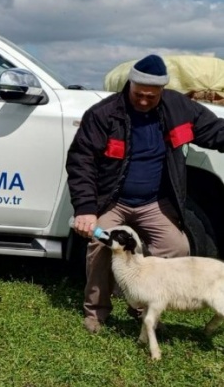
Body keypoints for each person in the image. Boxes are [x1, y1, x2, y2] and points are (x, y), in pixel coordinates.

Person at [66, 54, 224, 333]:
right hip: (113, 201)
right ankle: (96, 311)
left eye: (151, 96)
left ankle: (143, 307)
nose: (143, 100)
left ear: (162, 90)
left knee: (177, 248)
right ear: (130, 85)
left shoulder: (179, 108)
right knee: (101, 245)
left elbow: (214, 131)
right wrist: (86, 208)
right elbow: (81, 161)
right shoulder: (104, 114)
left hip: (155, 202)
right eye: (138, 94)